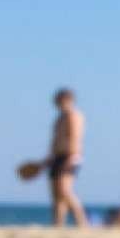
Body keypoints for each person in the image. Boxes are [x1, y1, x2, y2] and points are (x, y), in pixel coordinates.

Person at [47, 88, 88, 228]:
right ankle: (58, 224)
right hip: (57, 157)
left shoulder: (74, 115)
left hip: (70, 156)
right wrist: (48, 159)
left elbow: (75, 137)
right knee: (56, 195)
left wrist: (73, 156)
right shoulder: (60, 118)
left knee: (64, 190)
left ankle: (82, 222)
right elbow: (56, 140)